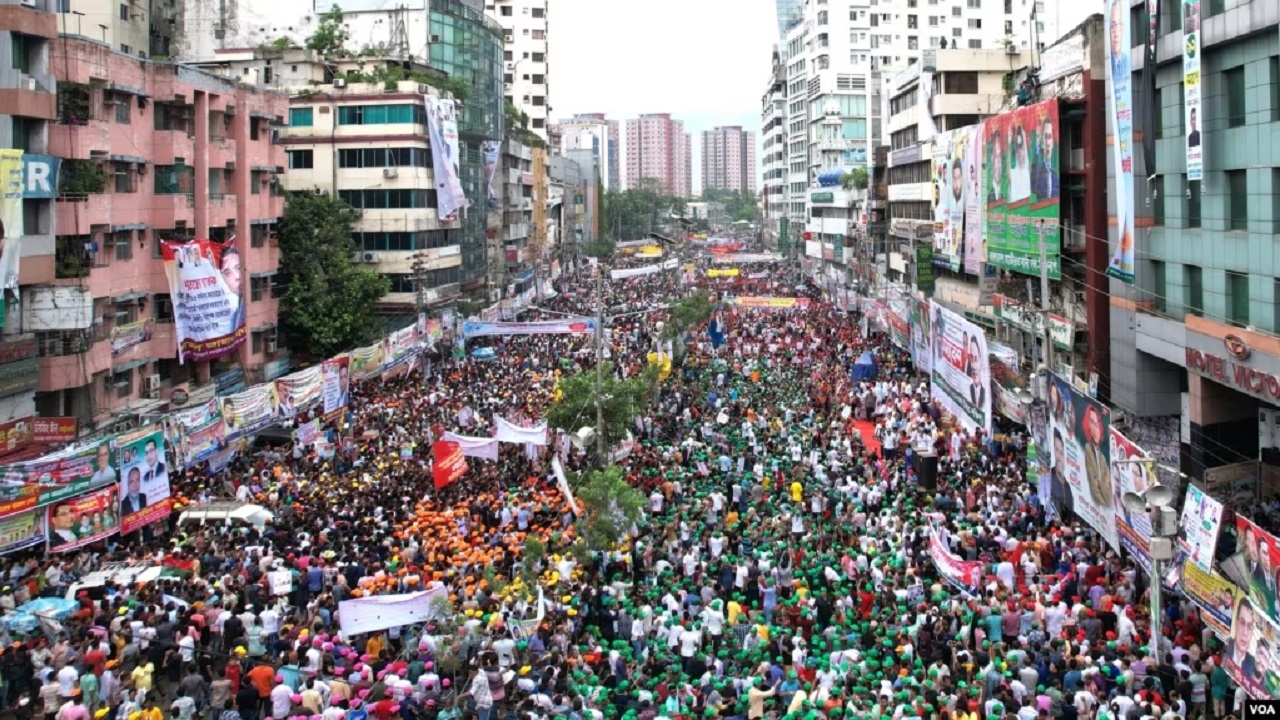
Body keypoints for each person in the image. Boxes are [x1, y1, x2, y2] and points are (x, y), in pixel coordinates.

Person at [1031, 115, 1060, 199]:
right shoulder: (1037, 166)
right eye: (1045, 137)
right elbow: (1035, 189)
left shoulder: (1056, 166)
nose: (1048, 142)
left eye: (1049, 137)